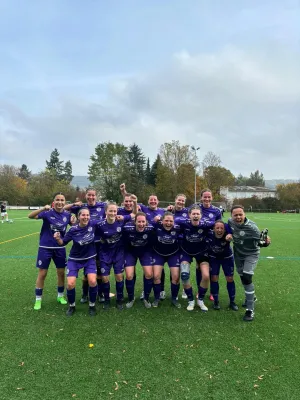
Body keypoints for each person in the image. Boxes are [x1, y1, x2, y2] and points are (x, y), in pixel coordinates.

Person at [120, 184, 166, 300]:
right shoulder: (143, 208)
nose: (153, 201)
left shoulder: (162, 211)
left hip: (152, 244)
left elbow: (170, 219)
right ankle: (131, 297)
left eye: (155, 200)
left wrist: (172, 208)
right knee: (130, 274)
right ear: (148, 201)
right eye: (151, 200)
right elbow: (131, 201)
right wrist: (124, 192)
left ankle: (158, 292)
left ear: (158, 201)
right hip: (134, 244)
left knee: (157, 271)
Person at [28, 193, 73, 310]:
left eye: (62, 200)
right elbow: (30, 216)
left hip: (60, 248)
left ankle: (60, 296)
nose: (60, 202)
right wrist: (43, 208)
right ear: (54, 202)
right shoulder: (47, 213)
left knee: (61, 272)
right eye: (57, 200)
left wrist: (75, 219)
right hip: (45, 247)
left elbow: (75, 225)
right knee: (42, 273)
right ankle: (38, 300)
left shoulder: (67, 215)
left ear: (65, 202)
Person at [228, 205, 271, 322]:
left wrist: (266, 242)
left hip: (251, 254)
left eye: (240, 214)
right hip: (238, 254)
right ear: (231, 215)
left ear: (244, 214)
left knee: (247, 277)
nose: (238, 217)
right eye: (235, 215)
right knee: (242, 277)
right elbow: (227, 229)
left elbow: (262, 242)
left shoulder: (252, 228)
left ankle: (250, 310)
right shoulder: (230, 222)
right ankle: (252, 297)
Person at [53, 208, 99, 316]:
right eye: (83, 215)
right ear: (78, 217)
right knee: (70, 283)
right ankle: (72, 306)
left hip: (89, 258)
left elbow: (108, 219)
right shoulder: (73, 229)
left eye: (87, 215)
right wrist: (58, 238)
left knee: (92, 281)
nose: (86, 217)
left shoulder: (93, 225)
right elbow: (63, 243)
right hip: (75, 259)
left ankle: (92, 305)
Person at [64, 188, 106, 303]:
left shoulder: (103, 206)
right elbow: (62, 209)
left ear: (96, 196)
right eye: (89, 195)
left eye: (93, 195)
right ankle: (84, 294)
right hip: (85, 244)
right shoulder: (80, 207)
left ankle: (101, 293)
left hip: (99, 244)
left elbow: (114, 211)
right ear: (86, 196)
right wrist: (74, 204)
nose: (91, 197)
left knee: (99, 271)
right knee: (86, 273)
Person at [96, 200, 137, 310]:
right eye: (110, 211)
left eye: (114, 211)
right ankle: (107, 300)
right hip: (105, 254)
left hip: (119, 253)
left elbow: (134, 214)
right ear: (106, 211)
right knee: (105, 278)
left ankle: (119, 300)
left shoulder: (121, 220)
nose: (113, 213)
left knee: (119, 277)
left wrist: (135, 202)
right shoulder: (99, 225)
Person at [175, 205, 214, 311]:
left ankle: (200, 300)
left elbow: (220, 226)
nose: (196, 215)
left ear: (201, 215)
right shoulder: (183, 223)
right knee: (184, 275)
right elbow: (168, 221)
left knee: (206, 276)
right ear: (189, 215)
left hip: (201, 252)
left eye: (198, 214)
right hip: (186, 251)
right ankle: (191, 300)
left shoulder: (206, 224)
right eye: (193, 214)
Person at [194, 189, 222, 301]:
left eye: (209, 197)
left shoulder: (216, 211)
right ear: (201, 197)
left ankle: (213, 292)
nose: (207, 199)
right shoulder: (195, 207)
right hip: (199, 242)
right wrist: (170, 209)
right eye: (204, 197)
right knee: (199, 267)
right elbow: (183, 212)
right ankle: (199, 290)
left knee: (213, 268)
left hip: (213, 242)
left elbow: (220, 226)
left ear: (212, 198)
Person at [123, 212, 155, 309]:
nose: (141, 224)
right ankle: (131, 298)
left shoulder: (151, 229)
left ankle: (146, 298)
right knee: (129, 275)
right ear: (135, 222)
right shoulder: (127, 229)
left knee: (149, 274)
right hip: (130, 252)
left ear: (146, 222)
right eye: (139, 222)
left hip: (145, 252)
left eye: (143, 222)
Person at [151, 212, 181, 308]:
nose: (168, 223)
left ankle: (174, 298)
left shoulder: (178, 228)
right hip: (158, 253)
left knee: (176, 277)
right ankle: (157, 298)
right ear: (162, 221)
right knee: (156, 276)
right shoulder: (156, 225)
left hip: (173, 254)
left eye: (171, 221)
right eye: (166, 220)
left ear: (174, 221)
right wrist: (154, 219)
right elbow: (145, 225)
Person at [208, 220, 238, 311]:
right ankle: (216, 301)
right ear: (213, 229)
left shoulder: (227, 236)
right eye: (217, 228)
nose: (219, 230)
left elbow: (232, 234)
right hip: (214, 258)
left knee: (230, 278)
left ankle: (232, 302)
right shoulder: (209, 234)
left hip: (227, 258)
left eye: (222, 228)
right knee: (214, 277)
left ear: (225, 230)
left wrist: (230, 235)